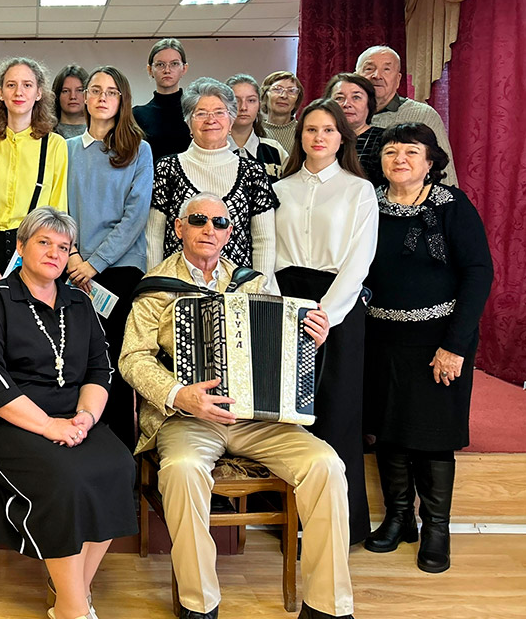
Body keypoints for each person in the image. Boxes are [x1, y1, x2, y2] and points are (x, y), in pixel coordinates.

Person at [120, 193, 353, 619]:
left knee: (326, 465)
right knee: (183, 470)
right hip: (188, 418)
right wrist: (179, 394)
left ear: (230, 233)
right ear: (179, 228)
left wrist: (312, 339)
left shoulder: (251, 283)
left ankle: (328, 607)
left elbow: (283, 349)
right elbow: (133, 358)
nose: (209, 229)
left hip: (256, 419)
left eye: (220, 223)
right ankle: (199, 605)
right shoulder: (156, 287)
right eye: (198, 220)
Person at [0, 207, 137, 619]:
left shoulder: (80, 302)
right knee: (65, 479)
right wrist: (47, 426)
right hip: (5, 418)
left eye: (64, 246)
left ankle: (69, 597)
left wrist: (86, 417)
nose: (55, 253)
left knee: (119, 466)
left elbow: (99, 369)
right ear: (21, 247)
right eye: (44, 242)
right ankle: (76, 608)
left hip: (73, 417)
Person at [363, 123, 492, 574]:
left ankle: (436, 528)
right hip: (381, 338)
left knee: (433, 435)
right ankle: (398, 519)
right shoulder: (367, 203)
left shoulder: (452, 205)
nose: (399, 159)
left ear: (431, 160)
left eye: (411, 152)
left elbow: (478, 273)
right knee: (388, 430)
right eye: (391, 152)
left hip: (440, 340)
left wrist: (454, 345)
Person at [274, 98, 378, 546]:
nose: (319, 137)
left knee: (336, 411)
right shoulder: (280, 189)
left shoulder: (359, 190)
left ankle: (337, 528)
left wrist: (325, 316)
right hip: (284, 301)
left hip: (337, 306)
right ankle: (289, 523)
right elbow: (267, 253)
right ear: (300, 137)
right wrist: (280, 306)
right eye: (311, 129)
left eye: (329, 130)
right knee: (289, 416)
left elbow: (359, 261)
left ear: (342, 138)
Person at [65, 66, 153, 447]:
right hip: (70, 268)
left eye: (112, 91)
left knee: (111, 360)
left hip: (119, 270)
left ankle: (118, 451)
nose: (102, 97)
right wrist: (72, 256)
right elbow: (58, 207)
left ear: (122, 100)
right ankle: (76, 444)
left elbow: (135, 217)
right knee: (73, 359)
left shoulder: (139, 150)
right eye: (96, 90)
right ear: (84, 97)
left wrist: (94, 264)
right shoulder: (65, 148)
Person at [147, 77, 277, 281]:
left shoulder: (253, 172)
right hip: (177, 286)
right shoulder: (167, 168)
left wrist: (259, 289)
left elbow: (264, 240)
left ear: (231, 120)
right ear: (188, 122)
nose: (211, 120)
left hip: (237, 289)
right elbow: (154, 236)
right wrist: (155, 284)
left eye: (219, 112)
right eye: (201, 113)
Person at [0, 56, 69, 285]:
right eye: (11, 85)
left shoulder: (55, 145)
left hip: (38, 253)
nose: (18, 92)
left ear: (39, 93)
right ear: (0, 93)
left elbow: (58, 212)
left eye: (27, 85)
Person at [356, 45, 458, 186]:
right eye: (369, 69)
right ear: (355, 76)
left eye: (386, 69)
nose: (377, 76)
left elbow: (444, 174)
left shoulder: (423, 115)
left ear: (398, 79)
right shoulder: (341, 116)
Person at [133, 38, 190, 164]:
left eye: (174, 64)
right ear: (150, 70)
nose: (167, 70)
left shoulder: (195, 111)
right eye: (160, 64)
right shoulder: (137, 115)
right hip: (150, 176)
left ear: (184, 69)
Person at [325, 72, 384, 187]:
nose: (347, 104)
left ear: (369, 104)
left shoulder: (385, 139)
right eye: (339, 98)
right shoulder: (320, 139)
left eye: (356, 97)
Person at [227, 73, 287, 182]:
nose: (243, 107)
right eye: (236, 101)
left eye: (251, 100)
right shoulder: (211, 150)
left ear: (259, 104)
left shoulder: (274, 150)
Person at [260, 70, 304, 153]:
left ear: (297, 99)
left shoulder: (303, 132)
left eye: (291, 91)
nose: (284, 96)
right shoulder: (253, 131)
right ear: (265, 96)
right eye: (277, 89)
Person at [53, 64, 89, 139]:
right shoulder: (45, 134)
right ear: (57, 95)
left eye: (79, 90)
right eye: (66, 91)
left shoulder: (102, 134)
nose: (73, 96)